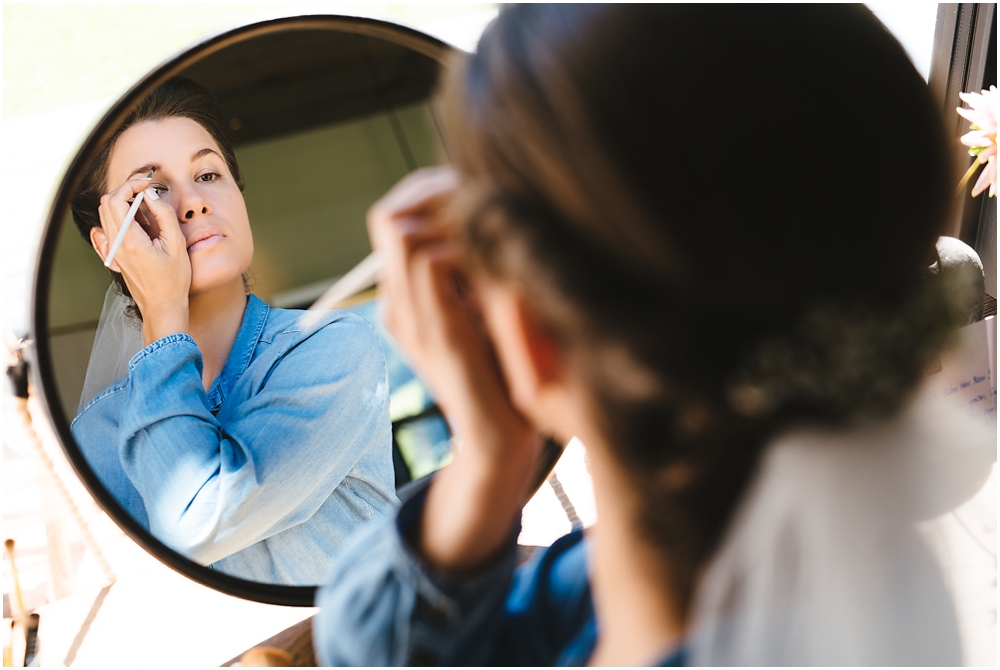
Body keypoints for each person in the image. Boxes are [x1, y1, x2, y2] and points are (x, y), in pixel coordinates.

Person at [312, 4, 996, 666]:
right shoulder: (822, 571)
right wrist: (491, 464)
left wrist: (489, 455)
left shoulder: (617, 586)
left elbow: (367, 653)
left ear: (528, 337)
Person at [69, 77, 397, 586]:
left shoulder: (335, 348)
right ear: (109, 242)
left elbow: (195, 521)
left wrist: (163, 307)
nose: (194, 203)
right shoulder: (95, 437)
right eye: (152, 191)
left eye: (208, 173)